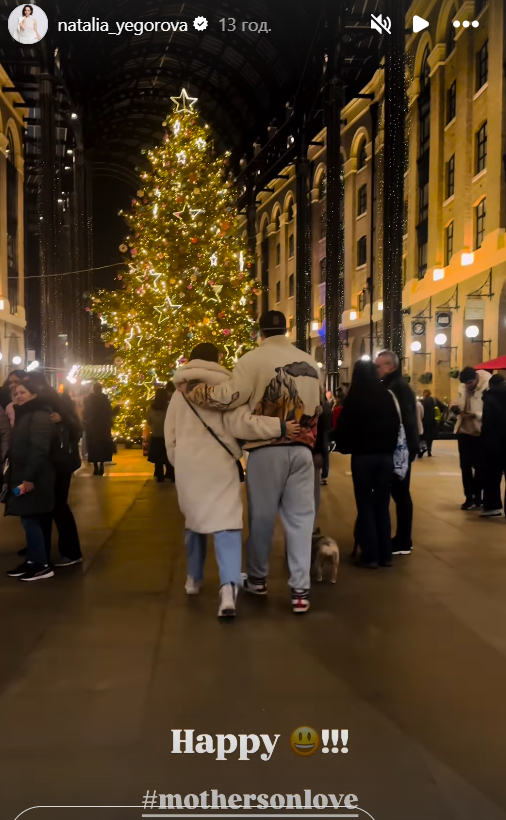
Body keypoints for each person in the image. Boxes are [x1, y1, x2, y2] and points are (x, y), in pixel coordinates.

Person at [182, 311, 321, 614]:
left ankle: (257, 579)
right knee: (301, 521)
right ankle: (300, 591)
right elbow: (320, 406)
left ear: (260, 333)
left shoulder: (251, 360)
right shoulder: (309, 360)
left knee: (261, 518)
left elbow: (226, 398)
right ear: (286, 328)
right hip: (303, 452)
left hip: (266, 450)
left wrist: (195, 391)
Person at [165, 342, 298, 618]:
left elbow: (170, 436)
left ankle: (193, 579)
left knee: (195, 523)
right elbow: (243, 424)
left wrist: (181, 462)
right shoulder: (227, 388)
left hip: (190, 466)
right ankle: (227, 591)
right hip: (220, 465)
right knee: (226, 526)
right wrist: (279, 426)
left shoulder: (179, 393)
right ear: (218, 359)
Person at [333, 360, 399, 568]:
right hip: (385, 457)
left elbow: (344, 428)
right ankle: (385, 554)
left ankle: (370, 555)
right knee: (382, 504)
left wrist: (343, 446)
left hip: (363, 458)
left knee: (365, 505)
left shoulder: (355, 398)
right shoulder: (387, 396)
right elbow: (396, 424)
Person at [5, 378, 55, 581]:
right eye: (16, 393)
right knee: (28, 518)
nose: (18, 395)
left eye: (23, 392)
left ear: (34, 394)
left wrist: (29, 477)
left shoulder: (39, 415)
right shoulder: (26, 414)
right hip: (23, 475)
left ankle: (41, 565)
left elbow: (40, 448)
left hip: (33, 478)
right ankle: (33, 561)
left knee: (30, 518)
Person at [375, 350, 419, 556]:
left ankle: (403, 540)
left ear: (391, 366)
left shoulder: (396, 388)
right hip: (404, 448)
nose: (377, 369)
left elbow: (404, 421)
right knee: (400, 494)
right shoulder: (395, 386)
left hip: (400, 449)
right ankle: (402, 538)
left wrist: (406, 449)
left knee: (401, 494)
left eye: (380, 366)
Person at [453, 366, 491, 510]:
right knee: (465, 466)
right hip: (464, 431)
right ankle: (469, 497)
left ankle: (477, 495)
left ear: (476, 377)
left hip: (479, 432)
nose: (468, 386)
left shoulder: (487, 385)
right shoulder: (463, 386)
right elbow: (457, 401)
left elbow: (489, 410)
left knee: (481, 467)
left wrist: (475, 414)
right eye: (465, 384)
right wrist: (455, 407)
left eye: (470, 383)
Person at [480, 374, 506, 517]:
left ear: (490, 385)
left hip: (493, 445)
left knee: (492, 477)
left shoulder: (489, 399)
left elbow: (487, 423)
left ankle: (492, 506)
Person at [83, 383, 113, 475]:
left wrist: (86, 422)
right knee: (102, 447)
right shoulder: (105, 399)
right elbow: (108, 412)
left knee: (93, 447)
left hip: (92, 427)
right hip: (103, 427)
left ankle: (95, 466)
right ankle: (101, 465)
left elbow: (86, 412)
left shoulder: (89, 399)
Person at [147, 388, 173, 482]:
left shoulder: (152, 408)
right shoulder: (169, 407)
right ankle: (170, 473)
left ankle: (159, 474)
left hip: (156, 435)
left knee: (158, 458)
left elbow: (148, 420)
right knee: (168, 456)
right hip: (167, 435)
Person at [320, 391, 333, 485]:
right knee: (325, 452)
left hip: (317, 429)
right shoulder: (327, 404)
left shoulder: (316, 403)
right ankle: (324, 475)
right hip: (325, 430)